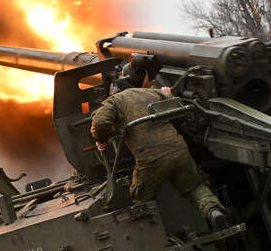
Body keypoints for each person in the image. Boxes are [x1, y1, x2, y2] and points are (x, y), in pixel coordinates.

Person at [90, 86, 228, 230]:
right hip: (178, 148)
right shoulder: (151, 92)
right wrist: (168, 93)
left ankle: (151, 234)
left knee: (140, 199)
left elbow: (100, 122)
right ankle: (213, 212)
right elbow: (177, 106)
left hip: (151, 158)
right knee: (195, 186)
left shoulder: (114, 101)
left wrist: (101, 140)